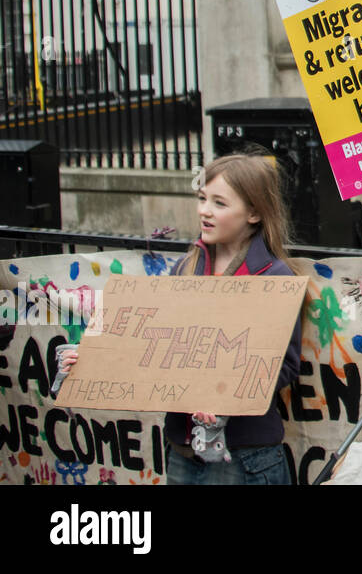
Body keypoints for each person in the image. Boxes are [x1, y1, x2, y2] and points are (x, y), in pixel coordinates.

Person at [58, 154, 303, 485]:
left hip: (245, 455)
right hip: (182, 453)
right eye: (202, 199)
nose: (204, 210)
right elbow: (151, 349)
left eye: (219, 203)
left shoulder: (275, 277)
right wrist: (87, 359)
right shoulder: (184, 268)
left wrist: (225, 395)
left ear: (254, 213)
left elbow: (283, 367)